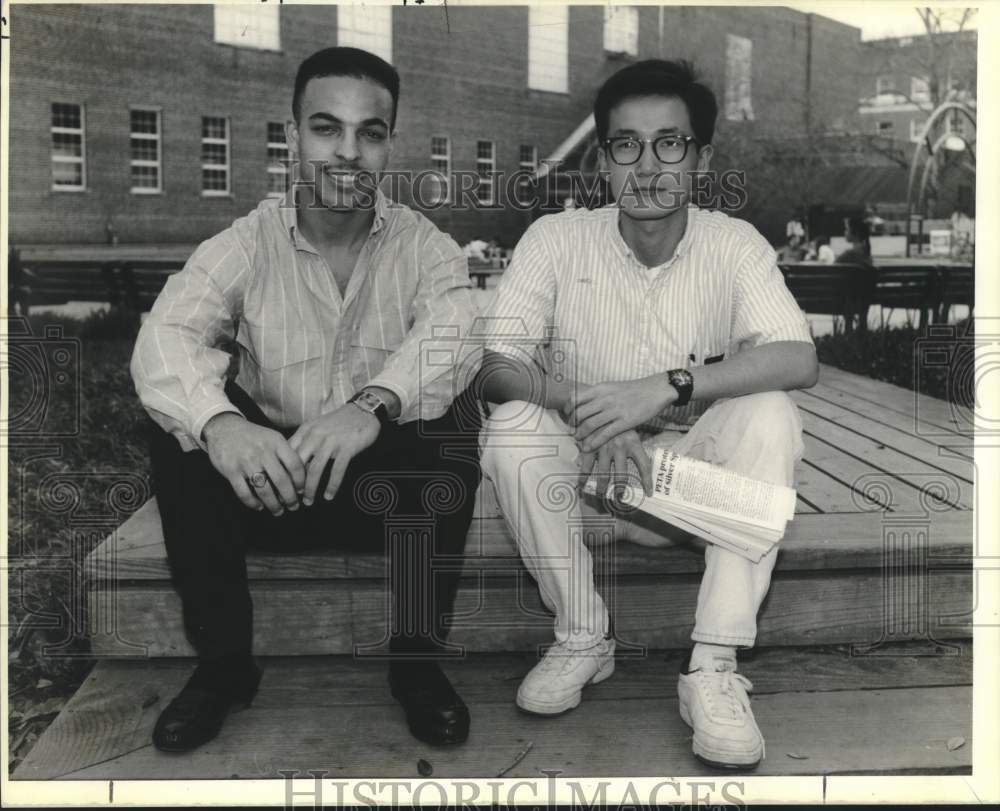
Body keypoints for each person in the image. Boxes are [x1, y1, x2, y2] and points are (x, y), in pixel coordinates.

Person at [131, 47, 482, 753]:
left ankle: (415, 664)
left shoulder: (423, 246)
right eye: (326, 128)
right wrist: (223, 423)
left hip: (378, 496)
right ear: (292, 136)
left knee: (446, 438)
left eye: (370, 132)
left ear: (389, 144)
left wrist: (373, 403)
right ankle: (224, 669)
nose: (347, 152)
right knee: (181, 435)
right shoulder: (246, 243)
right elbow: (163, 336)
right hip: (265, 486)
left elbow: (459, 328)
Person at [478, 59, 818, 770]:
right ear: (603, 160)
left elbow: (798, 357)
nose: (649, 165)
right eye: (626, 144)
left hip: (694, 497)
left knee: (770, 411)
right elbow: (497, 366)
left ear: (701, 158)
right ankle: (581, 634)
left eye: (671, 142)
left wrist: (663, 387)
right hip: (587, 486)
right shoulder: (555, 238)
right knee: (511, 426)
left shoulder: (734, 244)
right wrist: (592, 408)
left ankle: (714, 666)